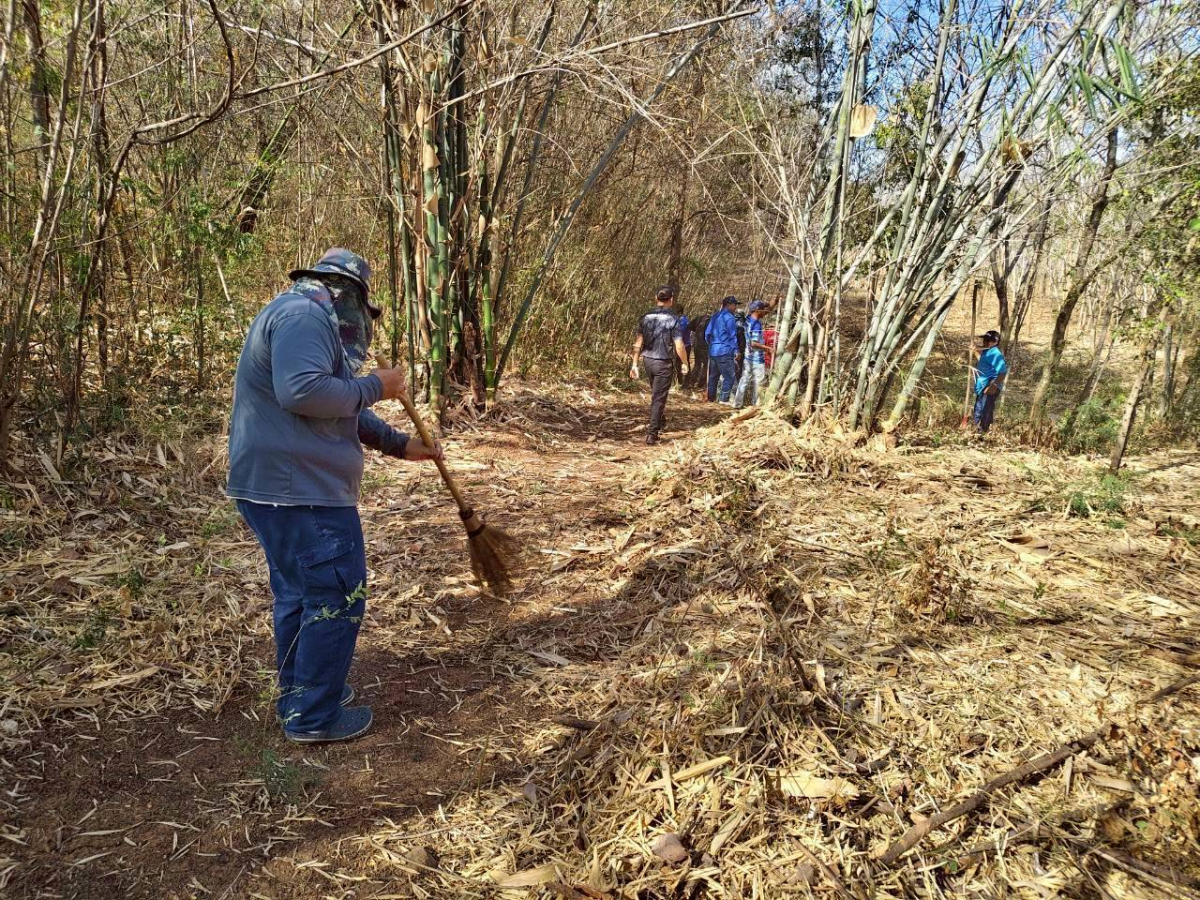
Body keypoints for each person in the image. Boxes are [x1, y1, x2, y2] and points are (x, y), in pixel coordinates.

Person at [227, 248, 443, 743]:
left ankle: (302, 693)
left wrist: (398, 444)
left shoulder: (307, 315)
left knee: (302, 595)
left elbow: (335, 400)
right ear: (347, 296)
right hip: (299, 491)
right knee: (336, 595)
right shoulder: (305, 317)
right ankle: (313, 716)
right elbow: (304, 393)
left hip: (290, 487)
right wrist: (377, 386)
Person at [631, 285, 688, 445]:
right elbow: (679, 345)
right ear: (671, 300)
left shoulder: (646, 317)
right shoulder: (673, 319)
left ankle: (660, 420)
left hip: (648, 361)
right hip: (663, 362)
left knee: (657, 394)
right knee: (658, 397)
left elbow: (638, 342)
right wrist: (684, 362)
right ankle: (652, 433)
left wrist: (635, 363)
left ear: (656, 299)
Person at [733, 300, 770, 409]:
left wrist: (775, 301)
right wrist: (768, 348)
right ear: (758, 311)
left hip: (748, 357)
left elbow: (767, 308)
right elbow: (754, 343)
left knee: (744, 380)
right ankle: (756, 406)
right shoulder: (756, 325)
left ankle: (737, 403)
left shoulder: (748, 319)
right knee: (759, 383)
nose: (765, 312)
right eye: (763, 310)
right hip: (757, 359)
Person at [704, 296, 740, 404]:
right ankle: (723, 400)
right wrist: (736, 350)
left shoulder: (715, 316)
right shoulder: (729, 317)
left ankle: (710, 400)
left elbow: (707, 334)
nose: (735, 308)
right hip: (725, 351)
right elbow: (732, 336)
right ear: (728, 305)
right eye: (734, 305)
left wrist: (712, 345)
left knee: (713, 377)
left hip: (713, 351)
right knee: (729, 376)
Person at [972, 329, 1008, 434]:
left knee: (985, 410)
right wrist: (975, 350)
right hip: (982, 385)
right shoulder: (987, 351)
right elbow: (983, 361)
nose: (984, 342)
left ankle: (982, 433)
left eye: (987, 341)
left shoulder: (996, 354)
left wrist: (993, 386)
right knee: (978, 409)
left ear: (995, 342)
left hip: (990, 384)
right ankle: (975, 429)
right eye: (985, 340)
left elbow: (1002, 372)